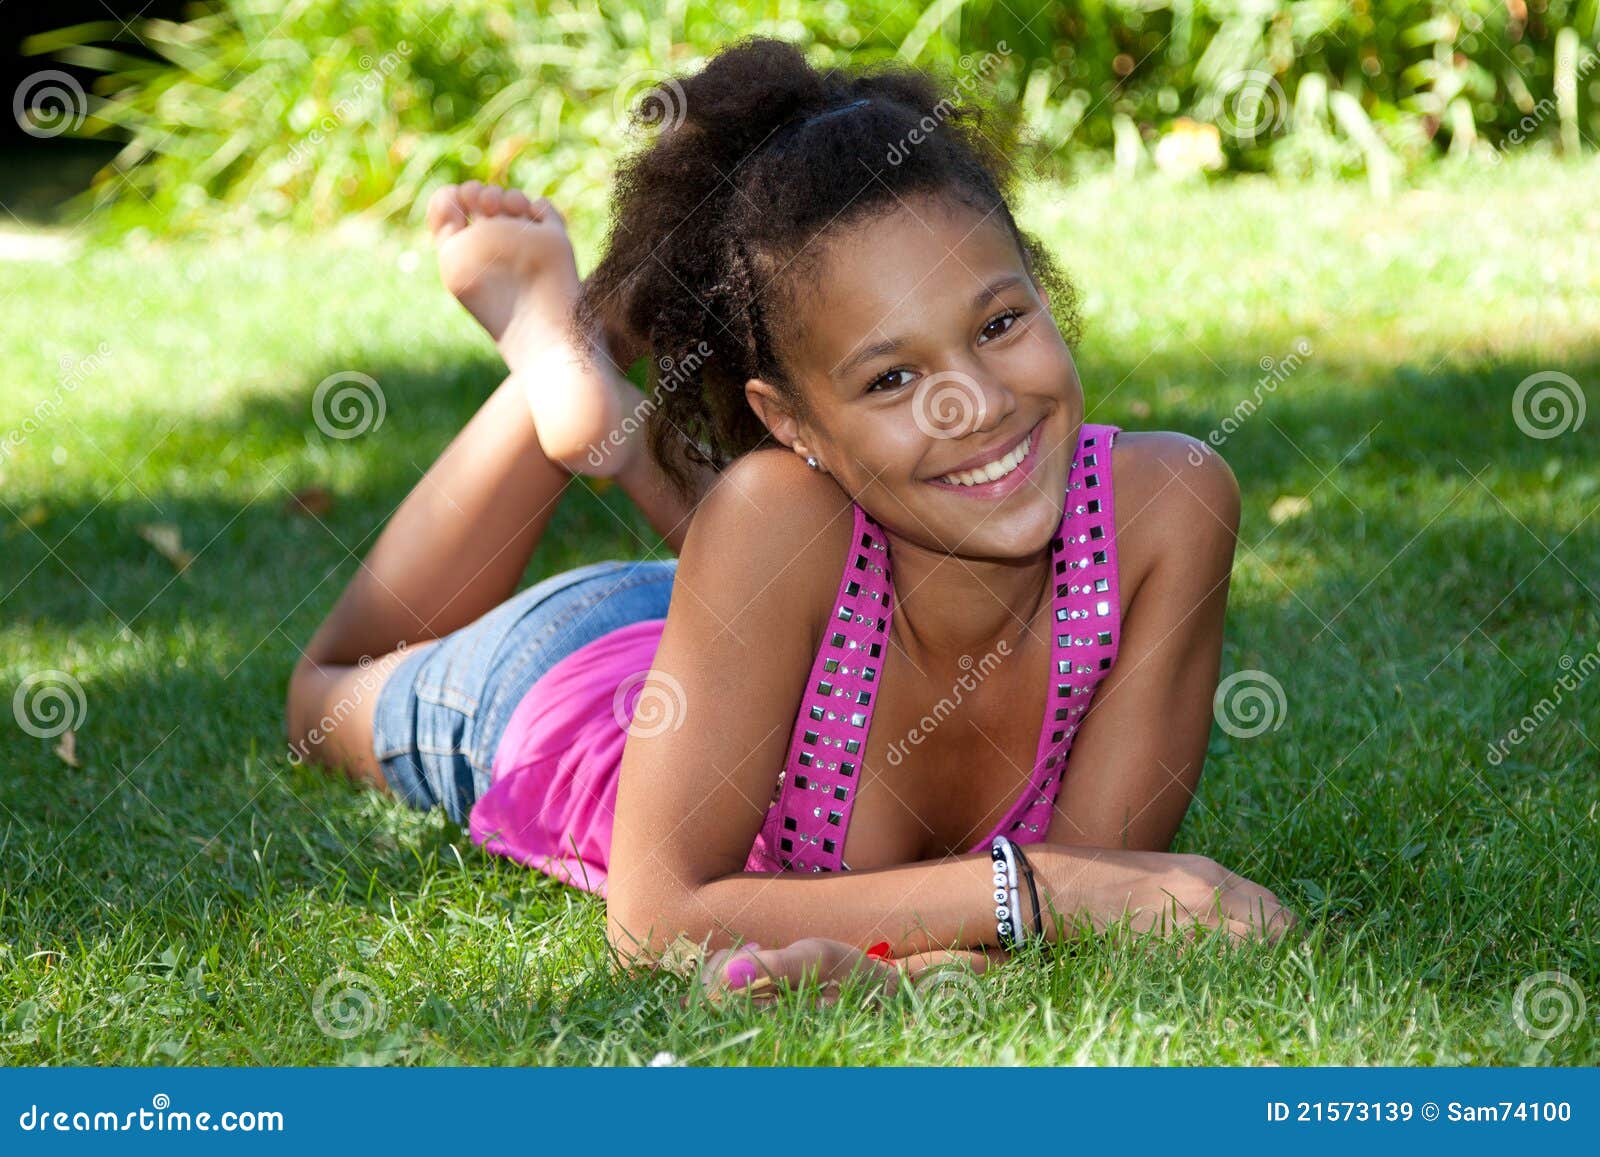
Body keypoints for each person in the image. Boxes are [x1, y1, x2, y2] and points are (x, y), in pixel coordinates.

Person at [286, 36, 1294, 1006]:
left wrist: (951, 947)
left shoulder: (1169, 506)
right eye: (891, 375)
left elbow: (1104, 900)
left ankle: (620, 430)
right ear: (786, 421)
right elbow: (657, 919)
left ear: (1045, 291)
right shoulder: (773, 506)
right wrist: (1028, 890)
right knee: (320, 696)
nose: (974, 402)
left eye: (998, 324)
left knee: (802, 535)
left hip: (769, 619)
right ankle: (569, 363)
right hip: (569, 677)